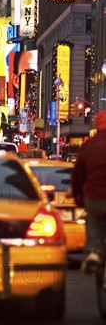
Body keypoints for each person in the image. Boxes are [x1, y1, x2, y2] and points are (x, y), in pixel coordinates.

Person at [71, 110, 106, 273]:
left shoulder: (88, 146)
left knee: (92, 220)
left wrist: (77, 196)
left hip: (94, 197)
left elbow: (77, 177)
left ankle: (93, 251)